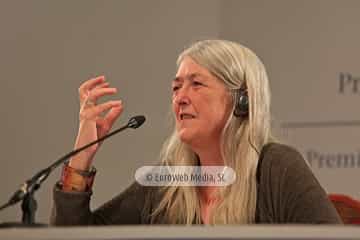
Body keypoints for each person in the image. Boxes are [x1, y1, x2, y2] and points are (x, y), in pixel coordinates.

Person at [51, 39, 341, 225]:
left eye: (196, 84)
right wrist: (83, 156)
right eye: (176, 87)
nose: (180, 97)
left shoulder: (277, 168)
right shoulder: (167, 181)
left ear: (242, 99)